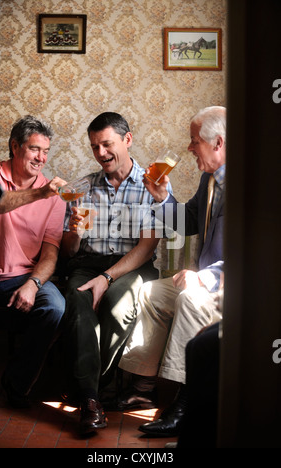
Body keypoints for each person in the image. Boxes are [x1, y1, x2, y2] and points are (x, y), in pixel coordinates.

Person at [117, 106, 226, 437]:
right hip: (209, 282)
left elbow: (257, 252)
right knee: (152, 292)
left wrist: (205, 276)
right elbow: (188, 222)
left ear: (218, 142)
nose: (190, 148)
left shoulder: (255, 183)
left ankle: (185, 402)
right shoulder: (210, 179)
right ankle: (144, 385)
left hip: (233, 286)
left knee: (190, 300)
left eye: (195, 141)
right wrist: (163, 197)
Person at [60, 112, 165, 435]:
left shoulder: (153, 184)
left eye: (107, 144)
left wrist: (107, 279)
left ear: (127, 140)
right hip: (87, 265)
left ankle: (87, 389)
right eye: (94, 147)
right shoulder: (85, 187)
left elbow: (147, 247)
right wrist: (74, 232)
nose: (101, 153)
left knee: (118, 306)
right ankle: (93, 399)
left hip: (132, 265)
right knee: (79, 308)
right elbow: (70, 250)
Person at [0, 115, 67, 408]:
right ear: (14, 146)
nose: (41, 158)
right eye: (35, 149)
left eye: (46, 151)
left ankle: (17, 384)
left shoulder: (54, 196)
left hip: (20, 278)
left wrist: (33, 285)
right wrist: (38, 194)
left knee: (54, 307)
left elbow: (50, 253)